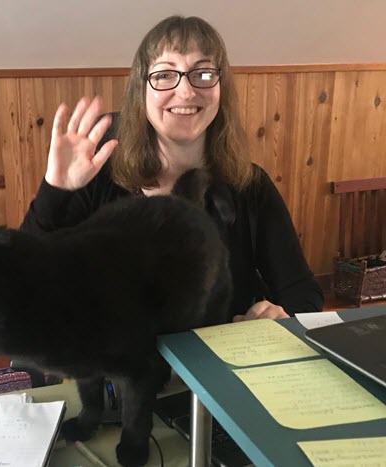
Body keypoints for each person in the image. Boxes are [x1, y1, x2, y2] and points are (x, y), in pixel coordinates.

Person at [20, 15, 323, 321]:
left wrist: (282, 318)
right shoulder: (98, 177)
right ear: (142, 90)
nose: (187, 92)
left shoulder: (251, 185)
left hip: (214, 364)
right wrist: (55, 191)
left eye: (202, 74)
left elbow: (304, 295)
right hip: (117, 366)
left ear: (221, 88)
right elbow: (24, 281)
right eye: (165, 75)